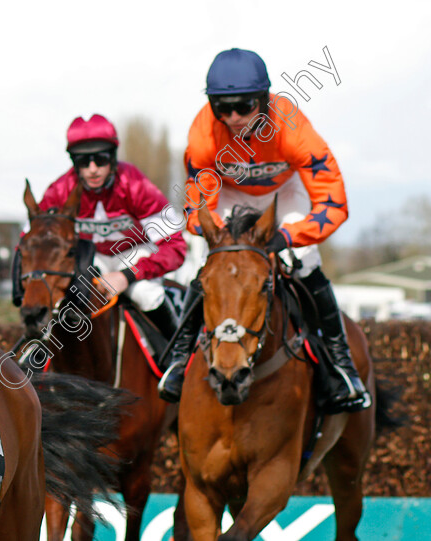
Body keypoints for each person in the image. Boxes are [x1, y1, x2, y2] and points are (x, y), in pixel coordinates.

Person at [156, 48, 370, 414]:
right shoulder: (204, 133)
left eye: (244, 106)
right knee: (215, 264)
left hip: (283, 193)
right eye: (223, 108)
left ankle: (341, 365)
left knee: (304, 258)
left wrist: (287, 237)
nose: (234, 117)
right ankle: (179, 361)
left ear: (265, 100)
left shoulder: (293, 128)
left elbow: (333, 204)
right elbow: (197, 209)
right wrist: (226, 241)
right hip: (229, 193)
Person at [37, 114, 187, 338]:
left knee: (145, 294)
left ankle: (177, 357)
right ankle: (40, 356)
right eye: (83, 162)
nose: (93, 169)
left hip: (134, 256)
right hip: (88, 259)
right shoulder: (59, 191)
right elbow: (34, 244)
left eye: (101, 159)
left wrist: (127, 275)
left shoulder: (136, 185)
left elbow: (175, 247)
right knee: (64, 296)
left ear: (113, 158)